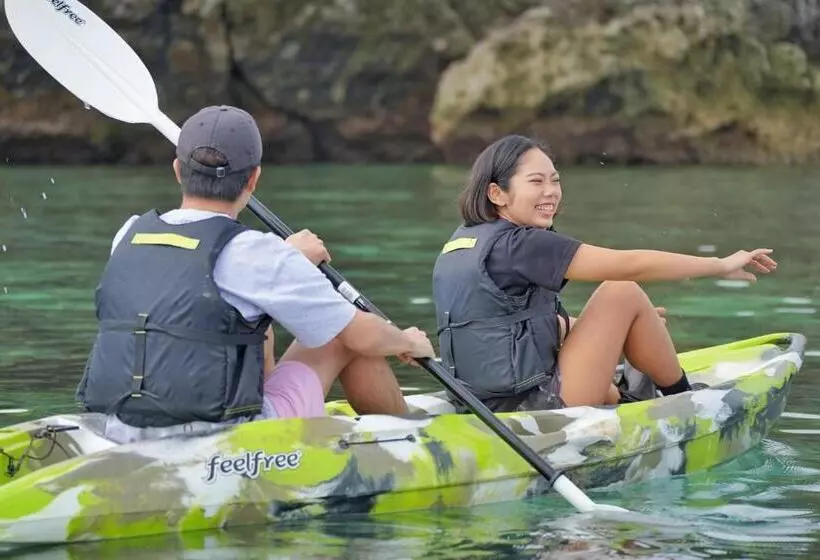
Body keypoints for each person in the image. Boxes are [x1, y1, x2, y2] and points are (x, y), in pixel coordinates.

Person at [75, 105, 435, 443]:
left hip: (119, 425)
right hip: (224, 437)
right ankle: (414, 438)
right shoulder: (258, 253)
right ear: (254, 179)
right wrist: (408, 342)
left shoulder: (129, 233)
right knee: (343, 334)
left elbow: (191, 284)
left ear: (177, 171)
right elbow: (361, 336)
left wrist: (286, 259)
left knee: (247, 324)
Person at [432, 134, 777, 412]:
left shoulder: (463, 243)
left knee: (621, 313)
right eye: (536, 181)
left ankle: (625, 394)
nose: (551, 191)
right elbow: (630, 265)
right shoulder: (523, 245)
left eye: (555, 180)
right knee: (621, 290)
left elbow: (495, 327)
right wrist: (719, 264)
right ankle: (682, 399)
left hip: (478, 404)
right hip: (531, 406)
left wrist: (599, 327)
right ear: (497, 193)